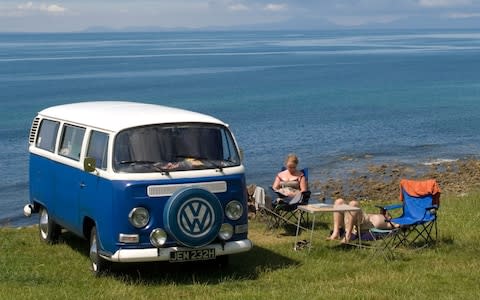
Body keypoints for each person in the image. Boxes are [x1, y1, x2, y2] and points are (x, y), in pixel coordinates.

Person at [327, 198, 397, 243]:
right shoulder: (380, 217)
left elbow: (398, 225)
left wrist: (394, 223)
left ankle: (347, 236)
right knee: (339, 201)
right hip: (354, 220)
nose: (387, 213)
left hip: (361, 225)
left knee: (353, 204)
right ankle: (336, 232)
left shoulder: (388, 222)